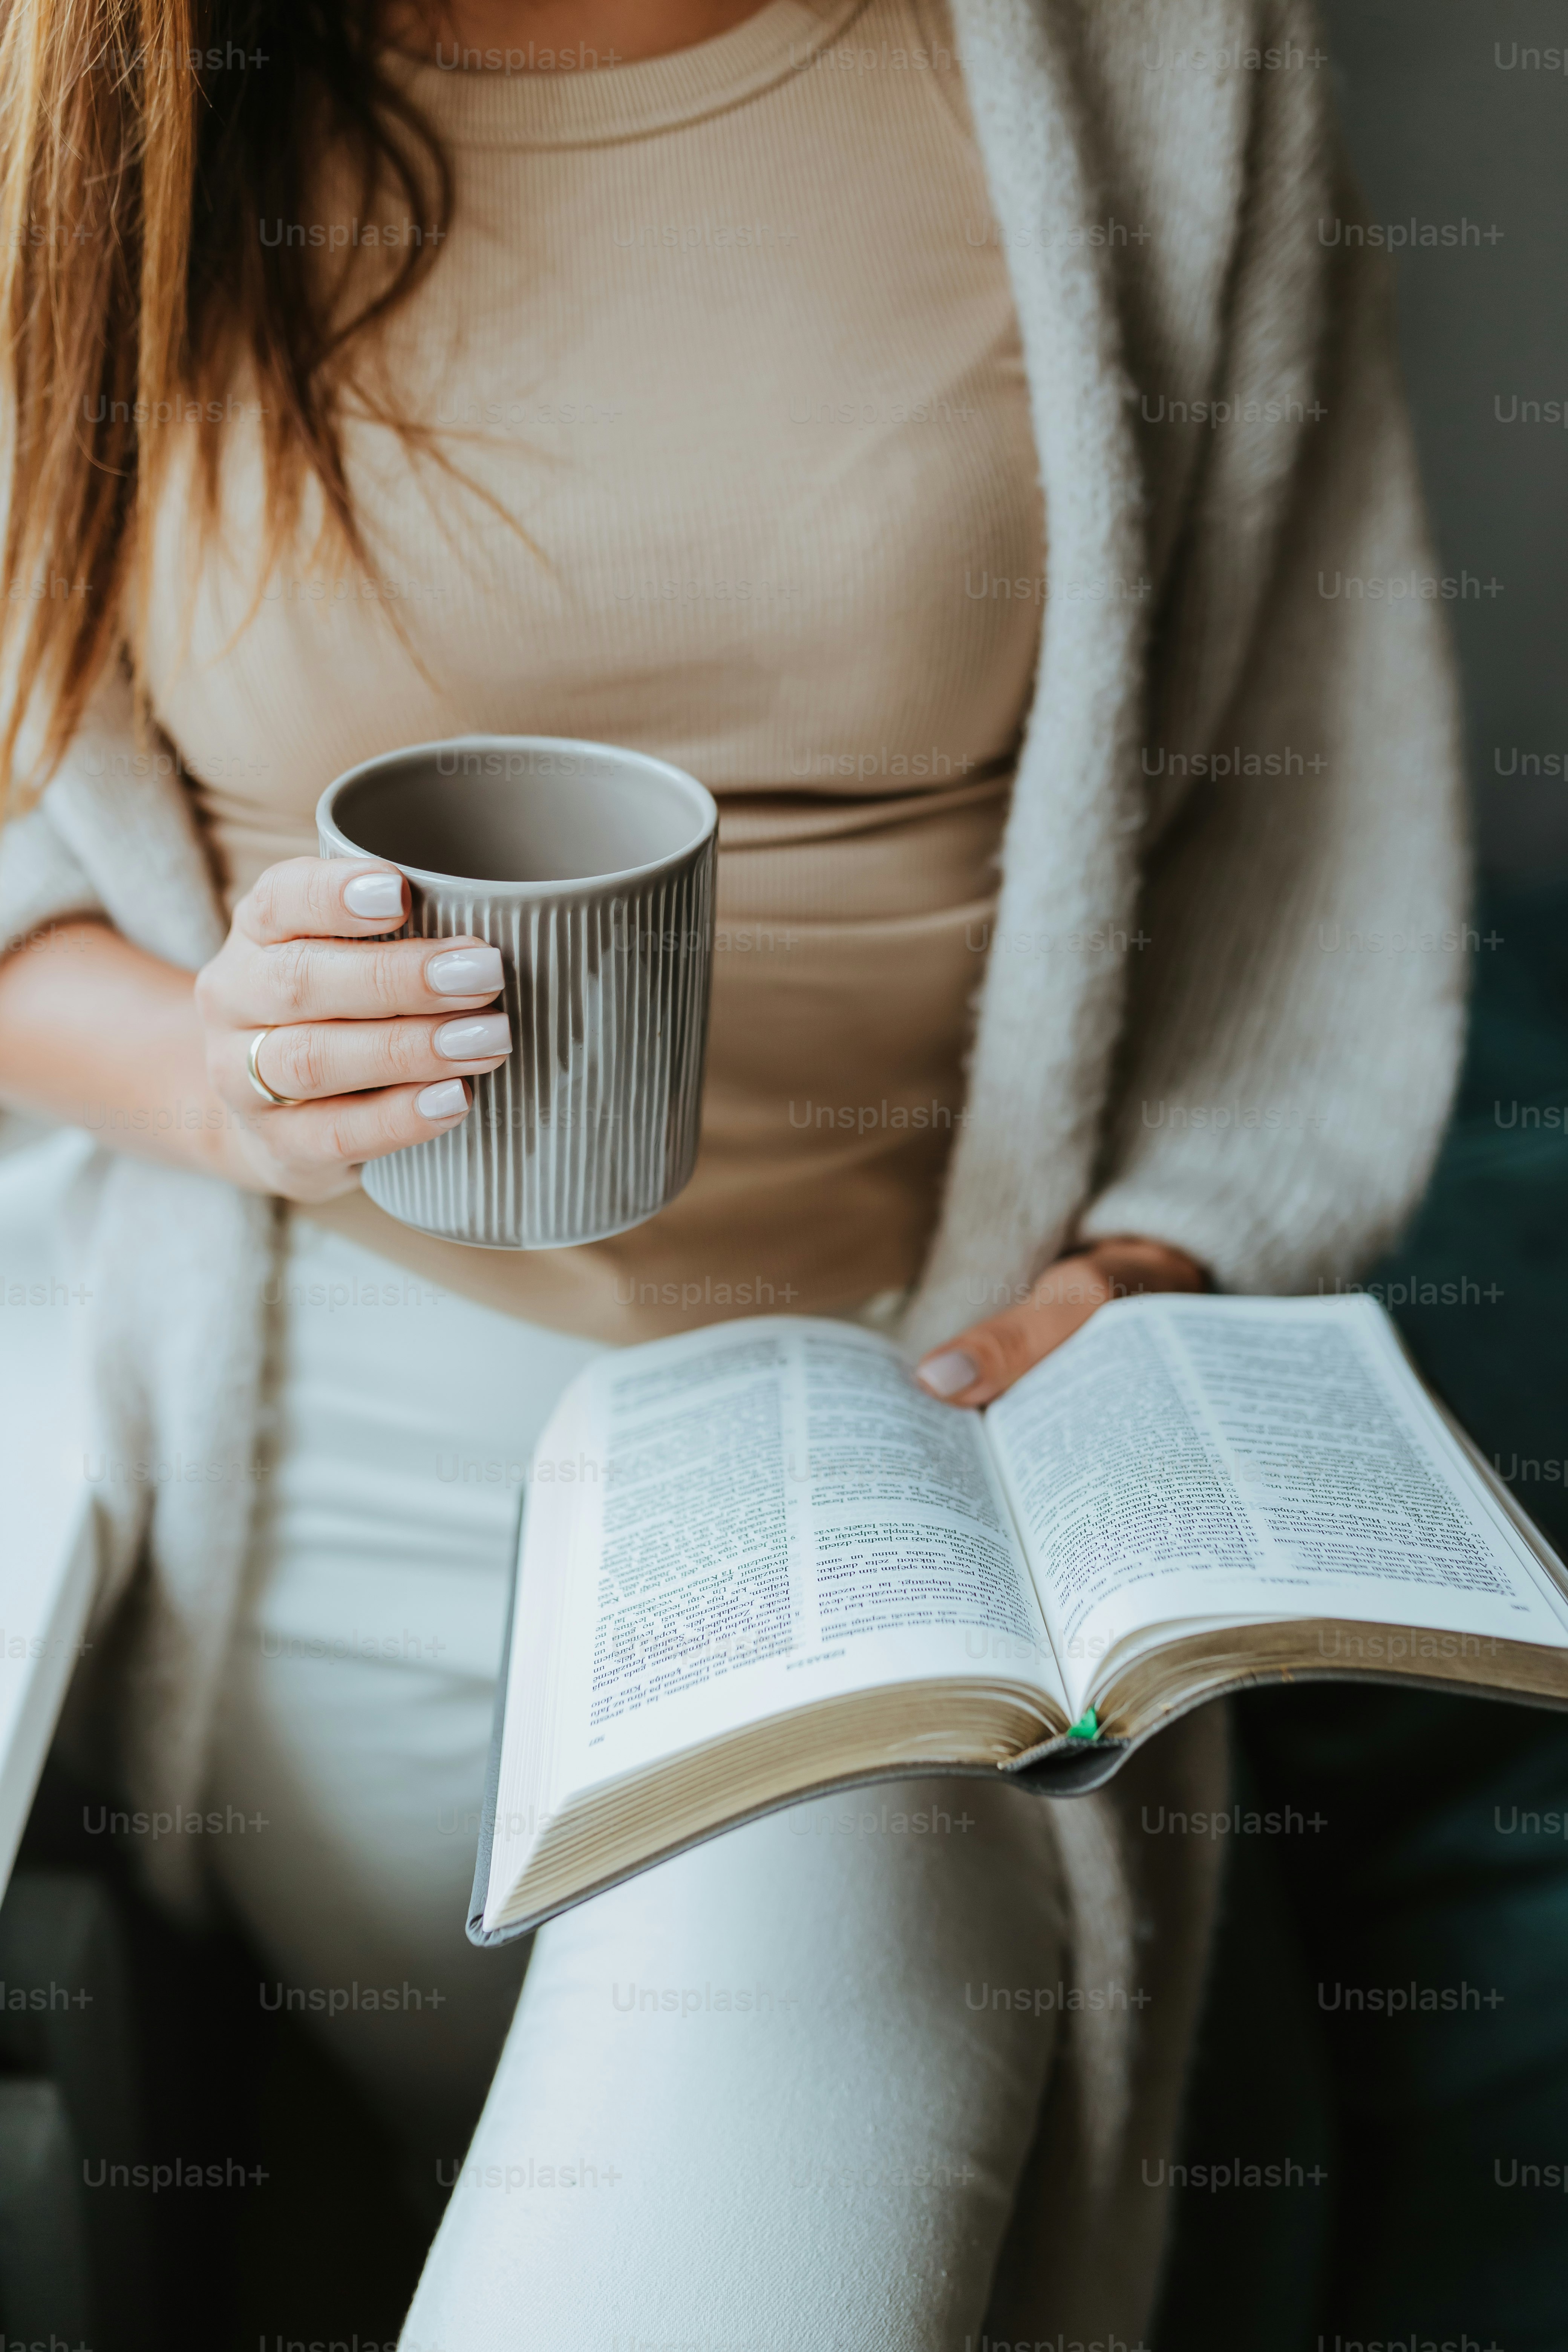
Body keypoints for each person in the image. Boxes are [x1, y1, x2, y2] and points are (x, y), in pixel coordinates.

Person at [0, 0, 1464, 2339]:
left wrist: (1150, 1262)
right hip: (329, 1473)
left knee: (785, 2030)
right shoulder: (86, 71)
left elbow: (1309, 795)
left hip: (925, 1417)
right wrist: (214, 1066)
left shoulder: (1164, 57)